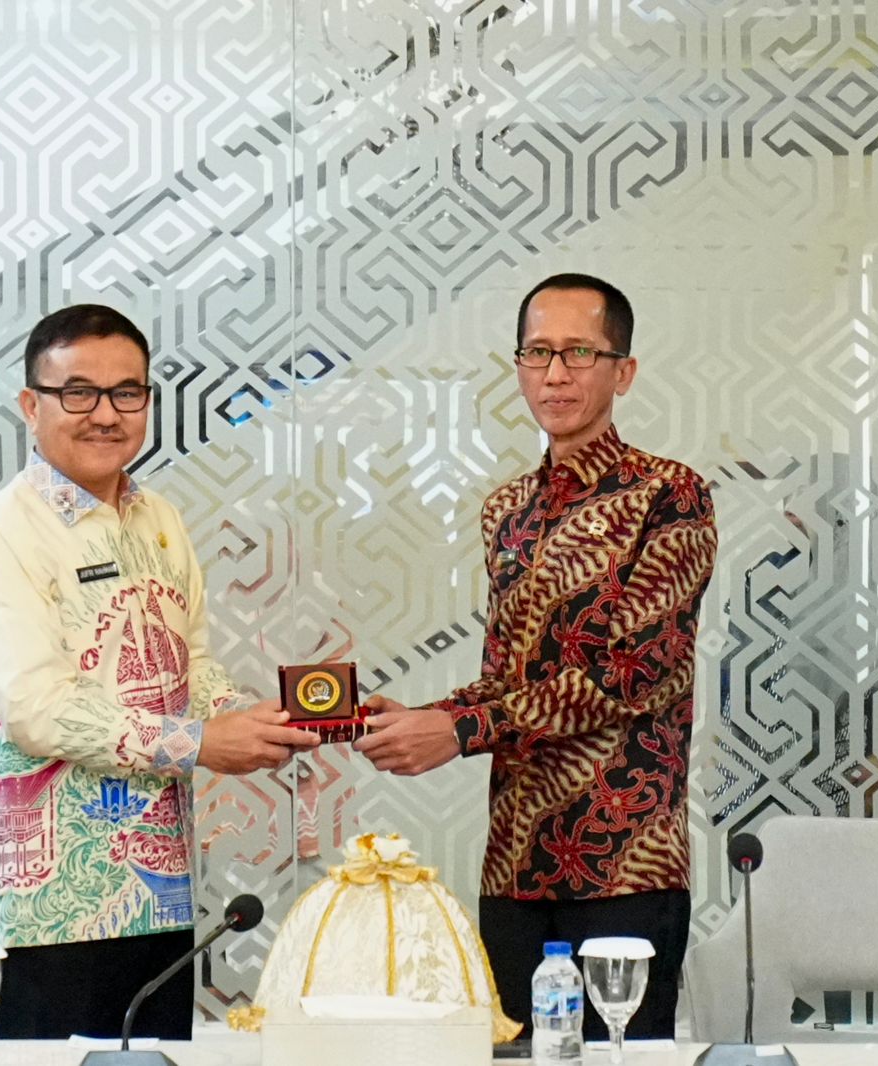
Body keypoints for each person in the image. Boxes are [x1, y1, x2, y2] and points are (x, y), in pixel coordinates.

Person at [0, 304, 319, 1041]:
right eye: (78, 392)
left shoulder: (159, 520)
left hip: (162, 893)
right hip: (53, 908)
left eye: (126, 392)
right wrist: (201, 743)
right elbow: (37, 711)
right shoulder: (1, 534)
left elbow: (189, 664)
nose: (106, 414)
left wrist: (252, 723)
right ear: (31, 405)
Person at [354, 274, 717, 1040]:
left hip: (624, 862)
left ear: (623, 371)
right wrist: (425, 717)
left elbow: (634, 674)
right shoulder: (507, 511)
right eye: (538, 352)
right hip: (515, 863)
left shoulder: (670, 496)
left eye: (579, 353)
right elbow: (508, 680)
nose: (555, 373)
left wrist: (458, 731)